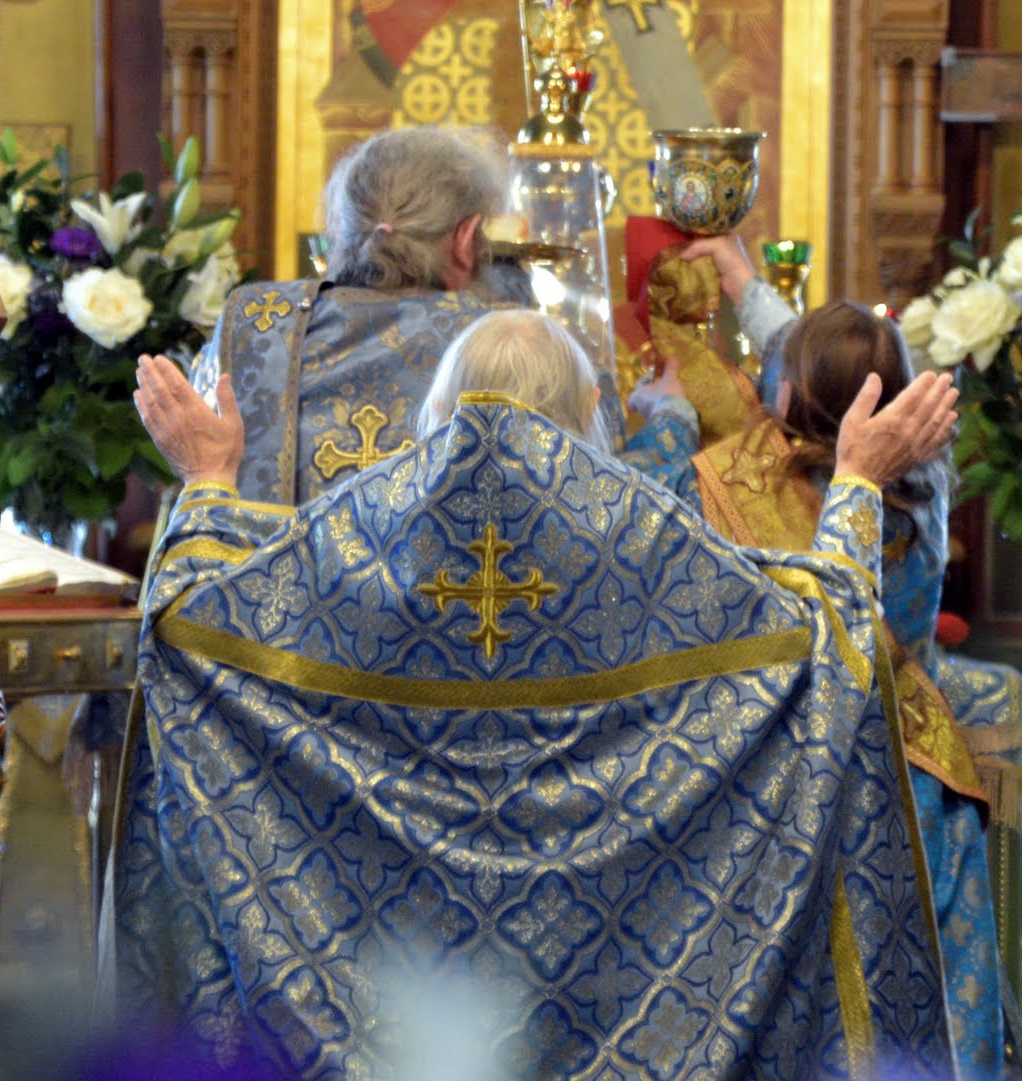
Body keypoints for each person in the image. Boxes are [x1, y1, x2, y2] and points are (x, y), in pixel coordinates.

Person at [116, 310, 964, 1078]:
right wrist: (856, 482)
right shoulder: (647, 541)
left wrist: (209, 477)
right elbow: (826, 632)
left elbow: (189, 623)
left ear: (435, 406)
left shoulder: (359, 542)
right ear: (591, 406)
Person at [623, 234, 1022, 1081]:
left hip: (795, 789)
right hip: (916, 783)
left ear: (782, 392)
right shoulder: (923, 481)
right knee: (933, 1008)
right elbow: (844, 384)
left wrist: (668, 421)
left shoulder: (733, 482)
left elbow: (641, 520)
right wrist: (753, 291)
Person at [190, 126, 623, 506]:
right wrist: (660, 419)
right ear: (465, 239)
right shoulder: (523, 343)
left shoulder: (256, 326)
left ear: (343, 226)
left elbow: (201, 504)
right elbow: (604, 498)